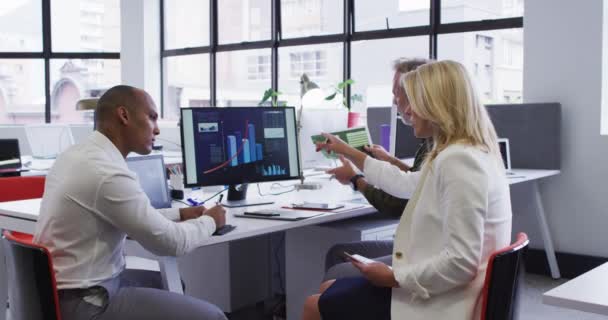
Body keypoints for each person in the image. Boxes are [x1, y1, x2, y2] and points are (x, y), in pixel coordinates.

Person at [302, 60, 512, 320]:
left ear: (437, 105)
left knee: (313, 305)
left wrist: (393, 277)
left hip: (449, 302)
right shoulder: (463, 152)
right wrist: (347, 150)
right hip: (453, 290)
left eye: (415, 101)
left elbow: (461, 262)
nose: (408, 111)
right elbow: (405, 184)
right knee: (327, 289)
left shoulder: (459, 162)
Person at [34, 85, 228, 320]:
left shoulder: (77, 155)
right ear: (124, 115)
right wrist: (211, 220)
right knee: (213, 316)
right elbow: (171, 243)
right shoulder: (106, 172)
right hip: (87, 303)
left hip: (55, 293)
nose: (156, 130)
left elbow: (131, 216)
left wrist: (179, 214)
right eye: (152, 118)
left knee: (173, 283)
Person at [323, 58, 430, 279]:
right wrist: (392, 162)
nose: (395, 101)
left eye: (397, 93)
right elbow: (419, 182)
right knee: (337, 255)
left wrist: (355, 178)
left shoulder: (440, 148)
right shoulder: (437, 144)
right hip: (423, 250)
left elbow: (396, 203)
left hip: (421, 259)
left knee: (336, 260)